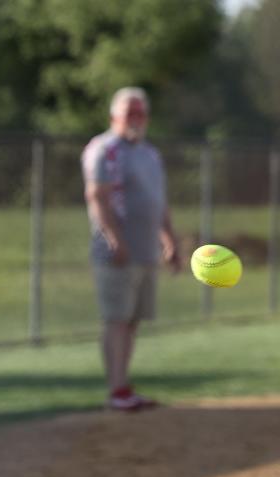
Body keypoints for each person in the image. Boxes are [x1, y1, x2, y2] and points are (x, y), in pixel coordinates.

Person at [82, 86, 181, 412]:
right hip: (117, 253)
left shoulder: (150, 154)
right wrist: (115, 239)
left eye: (140, 113)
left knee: (133, 320)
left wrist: (169, 239)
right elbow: (98, 196)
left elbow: (158, 202)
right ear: (114, 117)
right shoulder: (105, 149)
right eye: (130, 113)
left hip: (145, 251)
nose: (136, 119)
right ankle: (116, 389)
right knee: (117, 318)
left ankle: (123, 386)